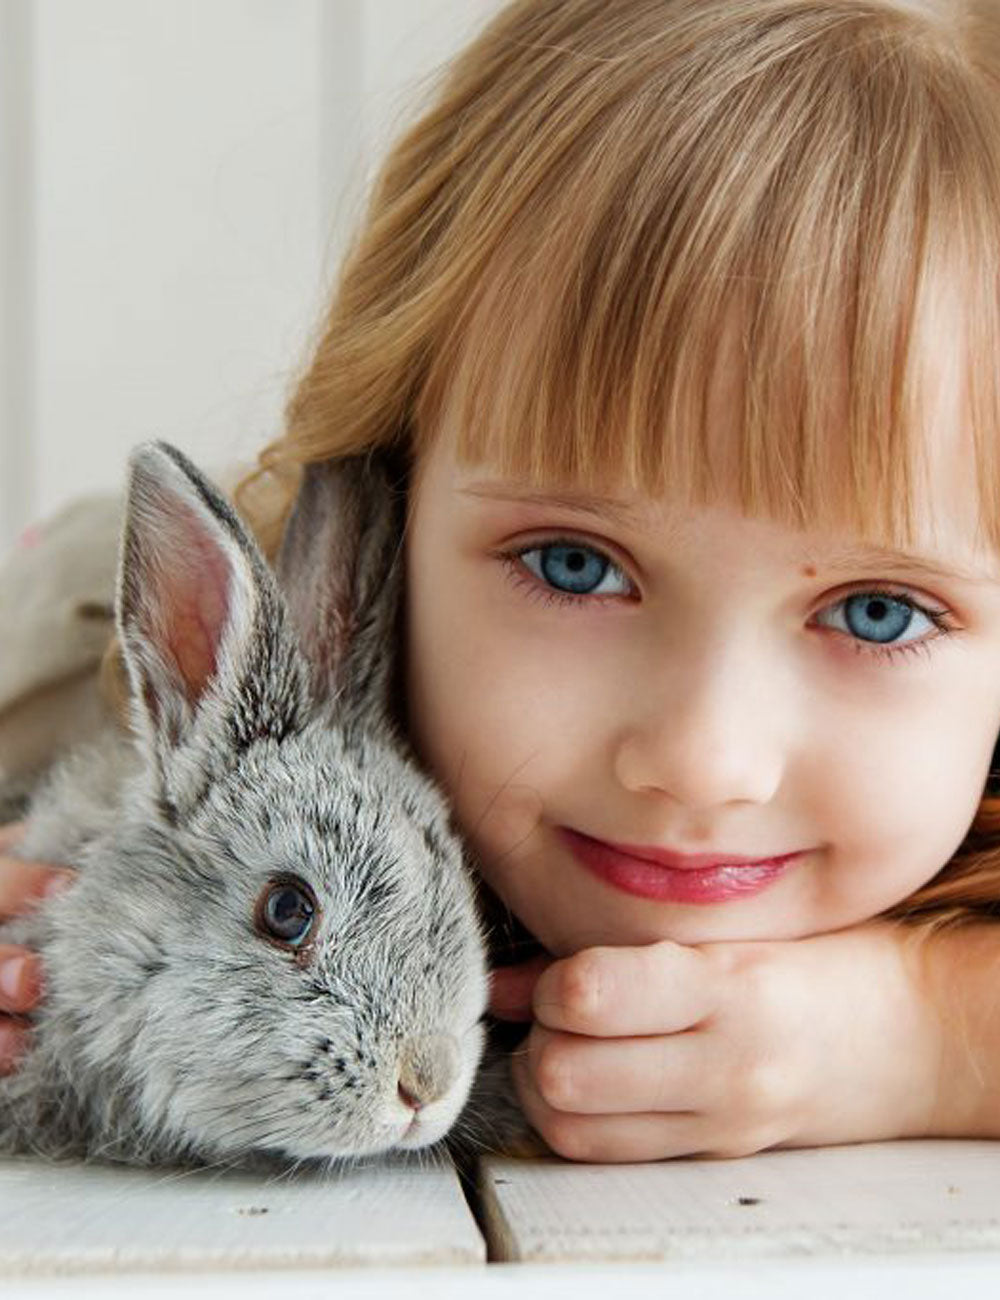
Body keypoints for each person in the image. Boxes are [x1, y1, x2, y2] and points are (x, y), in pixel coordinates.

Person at [5, 0, 1000, 1163]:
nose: (700, 758)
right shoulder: (122, 669)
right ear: (395, 486)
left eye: (877, 610)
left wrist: (929, 1033)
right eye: (574, 564)